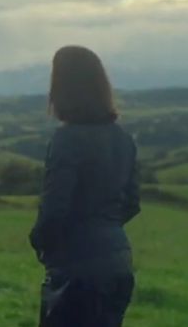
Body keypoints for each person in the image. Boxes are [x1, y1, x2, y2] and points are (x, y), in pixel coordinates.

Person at [30, 45, 141, 327]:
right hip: (119, 261)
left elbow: (55, 209)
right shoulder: (123, 139)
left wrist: (40, 242)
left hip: (77, 269)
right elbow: (132, 203)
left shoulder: (67, 140)